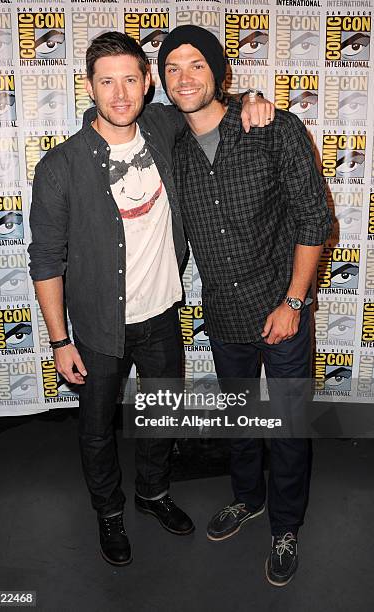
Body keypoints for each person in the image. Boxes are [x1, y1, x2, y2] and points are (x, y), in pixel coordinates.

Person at [28, 31, 274, 567]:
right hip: (95, 327)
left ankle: (152, 492)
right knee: (97, 430)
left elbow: (210, 103)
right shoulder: (60, 167)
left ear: (148, 84)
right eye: (106, 81)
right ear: (89, 87)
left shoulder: (165, 127)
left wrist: (252, 99)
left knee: (161, 416)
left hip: (161, 314)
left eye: (131, 79)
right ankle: (109, 512)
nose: (120, 94)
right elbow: (46, 260)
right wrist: (58, 339)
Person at [157, 25, 332, 586]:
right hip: (225, 316)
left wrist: (294, 302)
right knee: (238, 420)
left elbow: (315, 222)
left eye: (196, 66)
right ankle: (247, 499)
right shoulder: (172, 146)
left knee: (285, 428)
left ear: (220, 73)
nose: (184, 78)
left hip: (282, 312)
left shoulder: (273, 129)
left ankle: (285, 524)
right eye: (172, 69)